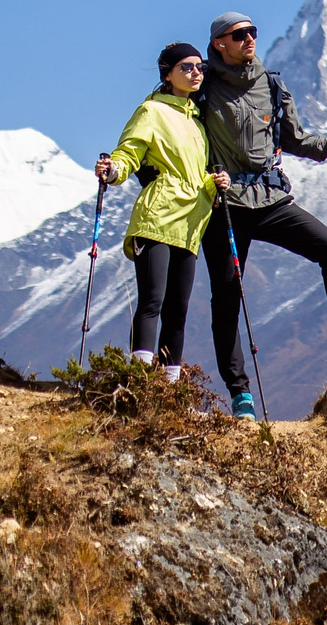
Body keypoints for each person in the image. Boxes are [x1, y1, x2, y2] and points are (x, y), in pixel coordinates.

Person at [198, 10, 327, 420]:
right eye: (239, 34)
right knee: (227, 298)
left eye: (252, 31)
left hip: (270, 198)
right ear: (219, 43)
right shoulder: (202, 88)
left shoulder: (271, 85)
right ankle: (240, 394)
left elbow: (296, 139)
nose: (250, 38)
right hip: (224, 205)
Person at [96, 42, 228, 380]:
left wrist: (215, 182)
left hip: (190, 225)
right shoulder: (151, 111)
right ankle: (140, 383)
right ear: (167, 75)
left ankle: (171, 391)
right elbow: (128, 153)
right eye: (187, 67)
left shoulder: (198, 123)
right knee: (152, 301)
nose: (196, 72)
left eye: (200, 67)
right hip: (156, 218)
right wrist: (113, 171)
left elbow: (195, 176)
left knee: (177, 312)